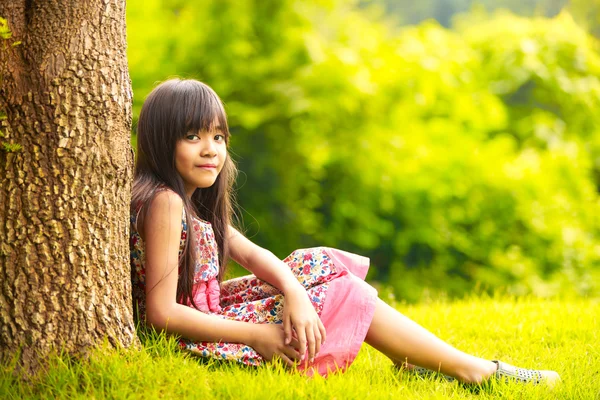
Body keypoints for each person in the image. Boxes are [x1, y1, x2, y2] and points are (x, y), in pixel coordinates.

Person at [129, 78, 560, 385]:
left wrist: (294, 291)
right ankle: (476, 371)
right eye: (192, 136)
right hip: (201, 338)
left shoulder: (192, 205)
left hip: (213, 319)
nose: (211, 150)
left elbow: (254, 254)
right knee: (342, 292)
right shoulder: (166, 203)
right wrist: (259, 333)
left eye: (219, 137)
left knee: (311, 266)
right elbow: (162, 314)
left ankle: (424, 361)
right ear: (161, 140)